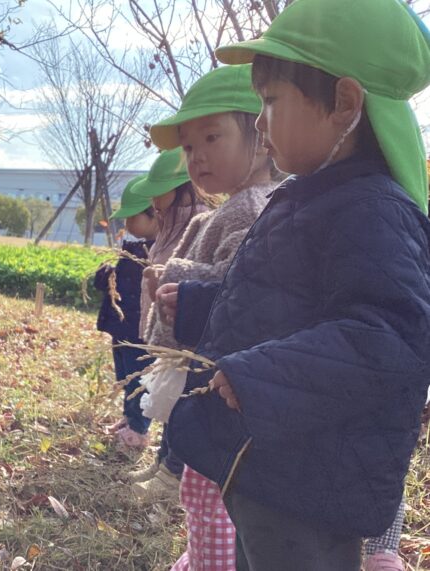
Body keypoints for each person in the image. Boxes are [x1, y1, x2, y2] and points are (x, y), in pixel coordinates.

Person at [161, 1, 430, 570]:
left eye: (271, 100)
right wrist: (197, 305)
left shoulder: (371, 209)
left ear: (345, 104)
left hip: (312, 478)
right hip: (272, 460)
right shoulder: (313, 198)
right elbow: (279, 309)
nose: (260, 122)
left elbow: (389, 339)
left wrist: (260, 375)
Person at [138, 64, 278, 570]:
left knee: (213, 491)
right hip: (208, 378)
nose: (196, 156)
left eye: (211, 137)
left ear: (260, 138)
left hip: (224, 385)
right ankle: (201, 556)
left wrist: (175, 276)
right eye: (188, 146)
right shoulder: (227, 209)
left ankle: (211, 561)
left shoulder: (256, 208)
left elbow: (242, 287)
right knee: (201, 488)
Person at [122, 147, 209, 492]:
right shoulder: (170, 223)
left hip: (186, 334)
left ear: (181, 189)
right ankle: (162, 462)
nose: (153, 201)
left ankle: (173, 473)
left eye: (159, 192)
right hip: (167, 330)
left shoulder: (198, 221)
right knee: (168, 401)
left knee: (181, 403)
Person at [94, 175, 158, 449]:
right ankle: (128, 418)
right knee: (125, 376)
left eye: (133, 217)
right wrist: (105, 275)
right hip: (121, 327)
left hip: (139, 332)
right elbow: (116, 286)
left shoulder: (160, 253)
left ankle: (139, 429)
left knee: (139, 379)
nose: (128, 224)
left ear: (155, 213)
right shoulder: (130, 248)